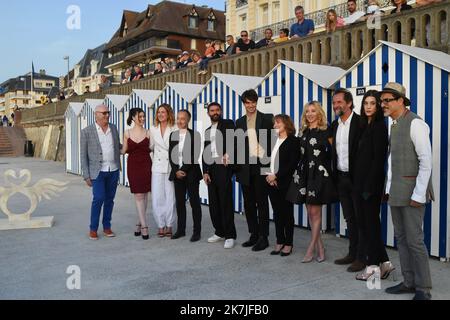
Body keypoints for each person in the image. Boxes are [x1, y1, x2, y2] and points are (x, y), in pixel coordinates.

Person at [381, 83, 434, 300]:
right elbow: (394, 161)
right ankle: (409, 281)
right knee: (401, 238)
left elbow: (426, 162)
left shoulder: (416, 124)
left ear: (400, 101)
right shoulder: (393, 123)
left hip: (413, 193)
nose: (383, 104)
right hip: (396, 192)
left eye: (387, 100)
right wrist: (387, 189)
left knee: (415, 241)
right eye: (382, 100)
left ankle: (423, 289)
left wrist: (419, 194)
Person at [287, 102, 337, 263]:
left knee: (315, 213)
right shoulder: (304, 131)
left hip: (319, 176)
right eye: (307, 111)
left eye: (313, 111)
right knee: (310, 213)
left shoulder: (327, 131)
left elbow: (335, 154)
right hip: (304, 174)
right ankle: (321, 247)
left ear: (319, 113)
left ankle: (311, 249)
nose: (309, 114)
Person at [352, 91, 395, 281]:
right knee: (369, 225)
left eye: (372, 103)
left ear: (378, 107)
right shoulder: (363, 125)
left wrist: (368, 188)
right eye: (366, 103)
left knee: (369, 226)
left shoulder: (379, 127)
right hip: (359, 184)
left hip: (370, 187)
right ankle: (384, 263)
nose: (368, 106)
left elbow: (378, 162)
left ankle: (372, 267)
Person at [236, 89, 274, 252]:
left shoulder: (266, 118)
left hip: (261, 167)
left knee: (262, 203)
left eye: (253, 102)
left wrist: (268, 168)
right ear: (244, 104)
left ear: (256, 102)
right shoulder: (239, 122)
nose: (251, 105)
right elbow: (236, 146)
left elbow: (272, 144)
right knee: (249, 204)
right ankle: (254, 234)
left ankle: (263, 237)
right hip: (245, 168)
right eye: (248, 102)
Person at [331, 88, 365, 272]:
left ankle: (362, 257)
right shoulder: (335, 125)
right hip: (341, 178)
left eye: (339, 102)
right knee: (350, 219)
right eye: (334, 103)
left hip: (357, 180)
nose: (336, 105)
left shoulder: (361, 123)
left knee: (361, 219)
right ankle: (352, 253)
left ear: (349, 103)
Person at [80, 105, 121, 240]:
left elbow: (118, 146)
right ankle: (93, 228)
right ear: (96, 114)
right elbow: (83, 155)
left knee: (110, 200)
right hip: (97, 172)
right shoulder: (86, 132)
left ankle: (107, 227)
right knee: (98, 198)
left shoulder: (113, 128)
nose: (106, 115)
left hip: (113, 169)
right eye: (103, 113)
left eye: (108, 113)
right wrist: (86, 175)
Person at [203, 102, 237, 249]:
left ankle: (230, 235)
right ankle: (219, 231)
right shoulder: (207, 130)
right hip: (211, 169)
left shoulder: (228, 124)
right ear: (208, 113)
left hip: (224, 167)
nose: (215, 112)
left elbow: (235, 141)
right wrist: (205, 171)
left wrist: (228, 153)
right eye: (212, 110)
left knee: (225, 202)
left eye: (217, 110)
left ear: (221, 111)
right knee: (214, 203)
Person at [266, 115, 300, 257]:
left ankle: (288, 243)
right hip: (271, 182)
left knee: (287, 214)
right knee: (277, 213)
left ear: (286, 124)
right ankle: (279, 241)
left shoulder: (293, 141)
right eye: (274, 123)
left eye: (278, 122)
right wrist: (269, 176)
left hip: (285, 183)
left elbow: (292, 164)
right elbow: (266, 160)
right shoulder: (272, 140)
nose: (275, 125)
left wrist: (277, 176)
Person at [169, 110, 203, 242]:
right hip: (177, 174)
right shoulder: (173, 135)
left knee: (195, 203)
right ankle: (181, 230)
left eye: (183, 119)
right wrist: (176, 171)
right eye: (178, 118)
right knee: (180, 203)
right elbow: (171, 155)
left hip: (192, 174)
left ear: (188, 120)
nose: (179, 121)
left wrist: (183, 169)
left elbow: (194, 155)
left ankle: (197, 232)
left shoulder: (195, 135)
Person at [121, 108, 152, 240]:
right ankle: (145, 226)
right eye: (140, 117)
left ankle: (139, 223)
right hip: (133, 166)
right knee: (139, 195)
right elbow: (123, 151)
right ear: (133, 118)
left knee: (144, 195)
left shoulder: (149, 132)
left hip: (146, 165)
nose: (143, 119)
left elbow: (152, 148)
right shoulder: (127, 133)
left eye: (143, 116)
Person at [150, 104, 177, 238]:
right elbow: (150, 147)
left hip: (171, 166)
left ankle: (170, 224)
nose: (160, 114)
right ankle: (161, 225)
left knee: (170, 196)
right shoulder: (153, 129)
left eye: (163, 112)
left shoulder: (175, 127)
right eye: (158, 112)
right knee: (157, 196)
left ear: (168, 113)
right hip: (157, 166)